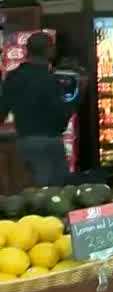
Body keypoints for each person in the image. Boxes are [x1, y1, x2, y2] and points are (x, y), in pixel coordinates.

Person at [0, 33, 71, 186]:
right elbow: (62, 117)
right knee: (58, 190)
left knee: (37, 190)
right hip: (52, 141)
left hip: (26, 141)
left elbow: (2, 109)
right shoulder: (53, 79)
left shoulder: (13, 77)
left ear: (26, 50)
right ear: (49, 51)